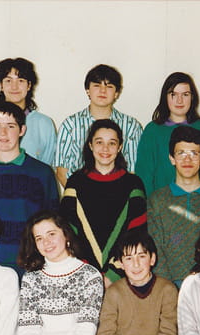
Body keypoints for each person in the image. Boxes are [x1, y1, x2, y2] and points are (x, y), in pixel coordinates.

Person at [0, 100, 59, 272]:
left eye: (11, 126)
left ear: (22, 130)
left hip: (33, 268)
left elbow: (54, 224)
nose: (3, 133)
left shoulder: (43, 174)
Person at [60, 119, 147, 285]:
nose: (105, 149)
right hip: (82, 276)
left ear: (120, 147)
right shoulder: (75, 183)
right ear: (90, 145)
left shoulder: (133, 184)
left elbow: (137, 234)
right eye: (99, 142)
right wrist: (87, 272)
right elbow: (67, 232)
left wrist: (113, 275)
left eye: (112, 143)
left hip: (124, 276)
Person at [148, 125, 200, 284]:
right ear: (172, 158)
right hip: (166, 286)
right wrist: (168, 287)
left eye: (194, 153)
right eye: (181, 153)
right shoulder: (157, 200)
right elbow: (154, 247)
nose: (187, 160)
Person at [55, 64, 143, 188]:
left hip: (120, 195)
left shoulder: (131, 126)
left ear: (116, 93)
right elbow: (62, 172)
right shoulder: (70, 125)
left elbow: (133, 171)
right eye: (97, 85)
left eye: (109, 86)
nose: (103, 91)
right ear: (87, 90)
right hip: (79, 195)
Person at [135, 72, 200, 195]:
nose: (179, 100)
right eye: (173, 94)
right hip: (161, 203)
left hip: (199, 202)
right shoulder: (152, 131)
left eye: (185, 94)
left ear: (192, 97)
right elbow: (144, 175)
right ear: (165, 97)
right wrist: (151, 204)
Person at [0, 57, 57, 166]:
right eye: (8, 80)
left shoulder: (44, 124)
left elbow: (46, 170)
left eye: (20, 80)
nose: (14, 87)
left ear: (29, 85)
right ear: (1, 85)